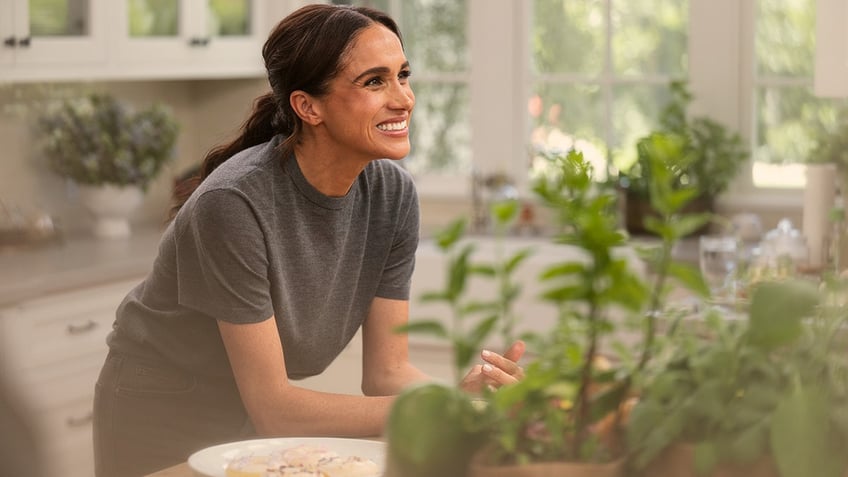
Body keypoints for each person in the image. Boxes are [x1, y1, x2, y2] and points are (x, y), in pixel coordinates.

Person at [92, 4, 525, 477]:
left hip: (254, 414)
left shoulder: (392, 195)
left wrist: (471, 400)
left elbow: (386, 373)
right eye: (375, 81)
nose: (403, 98)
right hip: (162, 410)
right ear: (308, 106)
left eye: (403, 75)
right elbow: (276, 408)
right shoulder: (234, 203)